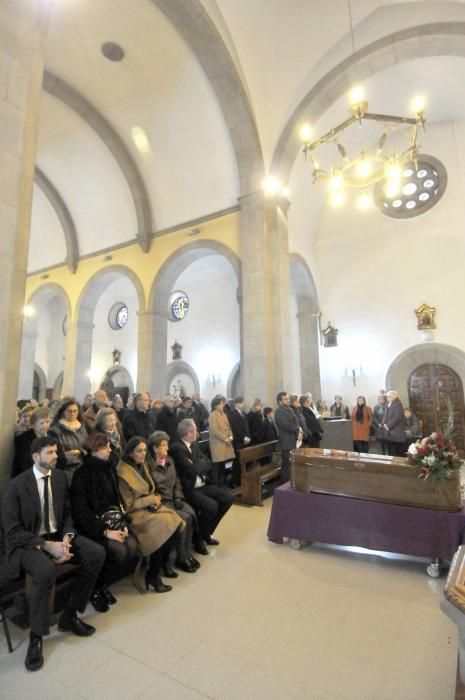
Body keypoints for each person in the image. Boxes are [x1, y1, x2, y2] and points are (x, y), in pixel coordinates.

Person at [1, 436, 105, 672]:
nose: (56, 456)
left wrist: (67, 538)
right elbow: (13, 532)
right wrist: (47, 546)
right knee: (44, 569)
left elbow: (67, 513)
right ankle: (36, 636)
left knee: (96, 553)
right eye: (49, 453)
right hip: (27, 544)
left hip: (58, 535)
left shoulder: (59, 478)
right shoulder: (15, 486)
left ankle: (70, 614)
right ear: (35, 457)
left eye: (56, 452)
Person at [71, 432, 139, 612]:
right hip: (93, 526)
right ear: (94, 450)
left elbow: (116, 502)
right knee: (117, 550)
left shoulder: (108, 468)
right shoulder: (81, 475)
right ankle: (96, 589)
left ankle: (103, 585)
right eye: (105, 447)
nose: (110, 450)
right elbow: (82, 512)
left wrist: (122, 524)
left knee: (131, 547)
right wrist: (105, 531)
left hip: (113, 520)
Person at [117, 437, 185, 593]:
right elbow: (128, 506)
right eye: (139, 451)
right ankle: (154, 574)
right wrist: (150, 500)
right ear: (130, 452)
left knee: (175, 524)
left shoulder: (142, 466)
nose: (143, 454)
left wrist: (153, 500)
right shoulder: (123, 472)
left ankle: (158, 569)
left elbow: (150, 488)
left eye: (144, 450)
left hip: (149, 508)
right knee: (164, 527)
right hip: (136, 515)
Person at [170, 419, 233, 552]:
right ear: (189, 433)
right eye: (195, 430)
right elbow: (190, 470)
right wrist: (198, 465)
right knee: (211, 506)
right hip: (189, 488)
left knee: (228, 498)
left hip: (202, 484)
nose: (197, 432)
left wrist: (197, 465)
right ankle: (198, 538)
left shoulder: (194, 445)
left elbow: (207, 462)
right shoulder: (177, 448)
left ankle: (206, 533)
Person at [147, 431, 199, 574]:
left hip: (173, 498)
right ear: (154, 448)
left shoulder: (169, 460)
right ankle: (181, 558)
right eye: (164, 445)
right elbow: (151, 489)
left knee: (191, 514)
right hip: (161, 502)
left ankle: (186, 553)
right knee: (184, 518)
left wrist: (178, 497)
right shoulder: (148, 465)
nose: (167, 448)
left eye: (167, 444)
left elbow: (176, 481)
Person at [11, 407, 66, 477]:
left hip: (51, 475)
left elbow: (62, 459)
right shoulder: (23, 439)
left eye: (47, 422)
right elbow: (26, 464)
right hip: (29, 477)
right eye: (41, 423)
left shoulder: (53, 435)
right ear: (33, 424)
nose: (45, 425)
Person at [50, 398, 88, 483]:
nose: (73, 413)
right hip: (66, 471)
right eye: (69, 411)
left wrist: (78, 452)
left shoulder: (83, 428)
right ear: (63, 412)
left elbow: (87, 447)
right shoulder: (55, 431)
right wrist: (76, 453)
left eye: (75, 411)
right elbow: (59, 455)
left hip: (83, 469)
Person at [207, 395, 235, 486]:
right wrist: (225, 438)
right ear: (215, 405)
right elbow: (214, 430)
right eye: (221, 404)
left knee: (223, 466)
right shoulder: (212, 415)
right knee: (217, 466)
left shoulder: (224, 414)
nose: (223, 405)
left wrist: (231, 437)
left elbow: (229, 427)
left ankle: (222, 484)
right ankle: (217, 485)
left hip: (226, 443)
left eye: (223, 403)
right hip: (218, 444)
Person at [274, 392, 301, 483]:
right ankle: (285, 484)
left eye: (288, 398)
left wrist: (299, 429)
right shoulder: (279, 411)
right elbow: (285, 425)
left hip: (293, 439)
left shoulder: (289, 409)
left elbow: (295, 421)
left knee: (292, 464)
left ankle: (292, 482)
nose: (288, 400)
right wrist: (296, 429)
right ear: (280, 401)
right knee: (287, 465)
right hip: (286, 441)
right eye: (285, 399)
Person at [227, 396, 251, 487]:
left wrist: (248, 436)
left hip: (245, 441)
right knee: (237, 462)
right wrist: (243, 438)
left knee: (244, 461)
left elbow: (246, 426)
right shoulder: (233, 414)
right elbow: (235, 428)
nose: (243, 404)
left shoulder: (243, 413)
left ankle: (242, 480)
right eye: (241, 403)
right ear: (236, 404)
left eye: (243, 402)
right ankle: (235, 481)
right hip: (238, 442)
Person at [383, 390, 407, 457]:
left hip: (396, 432)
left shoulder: (398, 404)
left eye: (389, 396)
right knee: (391, 452)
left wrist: (388, 426)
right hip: (389, 433)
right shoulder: (389, 404)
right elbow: (385, 415)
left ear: (395, 397)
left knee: (398, 453)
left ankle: (399, 466)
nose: (388, 398)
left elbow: (397, 417)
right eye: (387, 397)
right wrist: (383, 423)